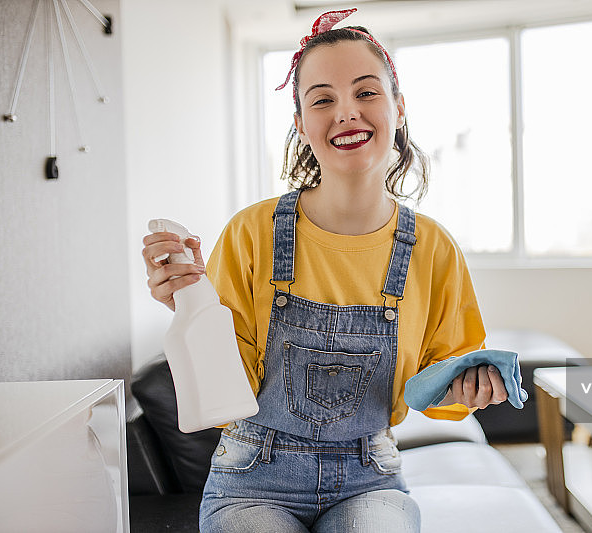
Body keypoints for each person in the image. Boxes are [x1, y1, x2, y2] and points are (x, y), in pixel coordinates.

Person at [142, 8, 509, 532]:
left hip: (370, 479)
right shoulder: (251, 233)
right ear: (300, 123)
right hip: (249, 480)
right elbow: (226, 391)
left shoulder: (433, 248)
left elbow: (436, 383)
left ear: (399, 107)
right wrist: (191, 306)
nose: (346, 113)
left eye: (366, 92)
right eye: (322, 99)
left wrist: (469, 387)